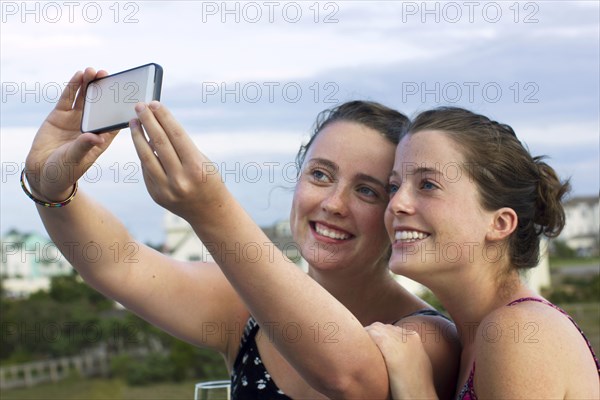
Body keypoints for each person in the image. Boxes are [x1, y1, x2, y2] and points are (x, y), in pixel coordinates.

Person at [24, 68, 460, 399]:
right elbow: (118, 261)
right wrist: (52, 188)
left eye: (366, 189)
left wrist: (210, 210)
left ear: (398, 208)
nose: (333, 204)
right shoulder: (242, 307)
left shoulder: (429, 337)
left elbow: (349, 377)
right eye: (321, 175)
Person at [366, 107, 600, 399]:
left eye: (427, 184)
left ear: (499, 223)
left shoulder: (519, 333)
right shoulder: (473, 340)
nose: (396, 204)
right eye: (394, 186)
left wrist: (417, 389)